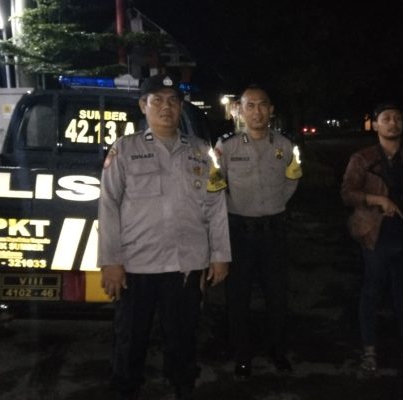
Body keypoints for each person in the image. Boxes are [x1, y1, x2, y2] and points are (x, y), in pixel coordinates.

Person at [98, 73, 231, 400]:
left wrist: (220, 255)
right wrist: (110, 261)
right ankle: (127, 388)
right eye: (156, 100)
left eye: (173, 101)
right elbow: (108, 205)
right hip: (137, 264)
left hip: (186, 263)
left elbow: (216, 205)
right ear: (143, 106)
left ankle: (182, 385)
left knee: (183, 334)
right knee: (131, 336)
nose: (165, 107)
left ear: (181, 107)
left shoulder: (202, 151)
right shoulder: (125, 149)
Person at [341, 102, 403, 375]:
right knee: (371, 292)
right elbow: (347, 193)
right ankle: (369, 349)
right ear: (375, 124)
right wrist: (378, 199)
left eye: (397, 118)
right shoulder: (363, 158)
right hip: (376, 234)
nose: (393, 123)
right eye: (386, 118)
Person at [214, 84, 302, 380]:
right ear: (239, 110)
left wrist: (275, 204)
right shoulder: (226, 146)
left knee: (277, 296)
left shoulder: (286, 145)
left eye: (262, 104)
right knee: (238, 297)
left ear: (271, 109)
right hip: (239, 232)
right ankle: (242, 355)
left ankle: (277, 350)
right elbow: (216, 184)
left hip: (274, 232)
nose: (256, 111)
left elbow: (292, 180)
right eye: (249, 105)